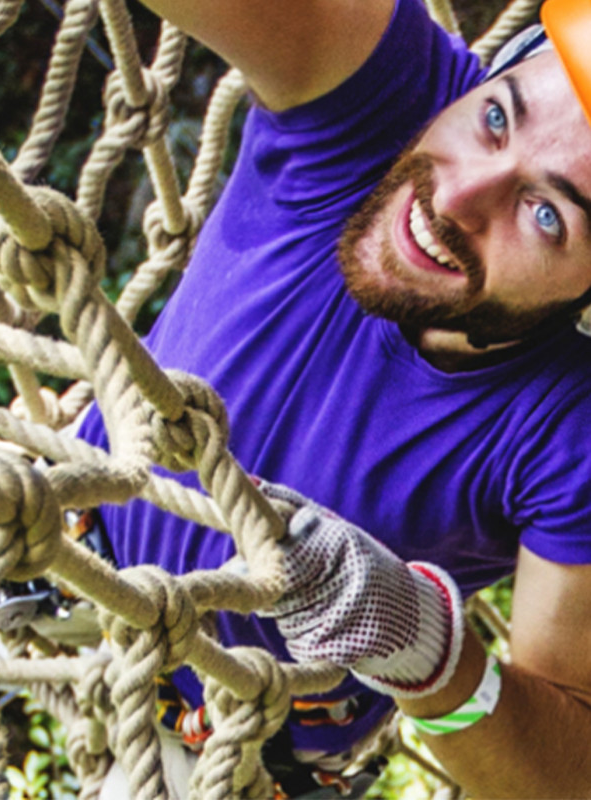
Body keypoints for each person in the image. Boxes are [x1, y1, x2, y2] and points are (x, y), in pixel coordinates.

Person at [78, 0, 591, 795]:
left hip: (238, 741)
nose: (458, 199)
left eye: (547, 215)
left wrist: (431, 652)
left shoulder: (571, 430)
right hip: (59, 540)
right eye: (497, 117)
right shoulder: (383, 90)